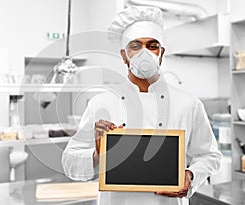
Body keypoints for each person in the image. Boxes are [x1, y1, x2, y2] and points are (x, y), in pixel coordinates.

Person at [62, 6, 222, 205]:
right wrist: (97, 154)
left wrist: (190, 176)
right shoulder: (102, 103)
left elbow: (210, 155)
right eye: (136, 46)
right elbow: (69, 163)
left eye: (152, 46)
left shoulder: (188, 103)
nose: (144, 53)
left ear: (161, 53)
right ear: (124, 55)